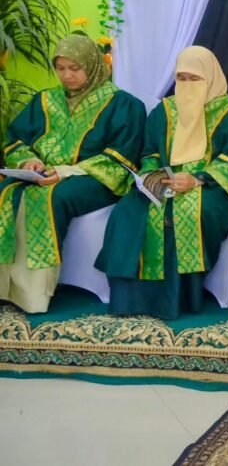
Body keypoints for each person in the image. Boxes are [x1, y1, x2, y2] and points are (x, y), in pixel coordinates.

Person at [95, 47, 228, 320]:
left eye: (195, 79)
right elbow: (149, 152)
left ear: (211, 77)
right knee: (129, 212)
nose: (187, 85)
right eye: (181, 78)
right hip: (164, 180)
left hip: (209, 186)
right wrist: (152, 175)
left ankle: (181, 299)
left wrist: (198, 178)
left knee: (187, 212)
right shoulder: (165, 110)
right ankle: (128, 299)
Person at [0, 34, 145, 313]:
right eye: (61, 68)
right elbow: (16, 139)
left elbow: (122, 157)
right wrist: (29, 161)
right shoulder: (45, 100)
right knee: (6, 191)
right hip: (43, 173)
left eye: (75, 68)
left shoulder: (124, 104)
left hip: (92, 178)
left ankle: (33, 294)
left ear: (92, 65)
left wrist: (66, 171)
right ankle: (5, 286)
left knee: (52, 197)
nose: (67, 76)